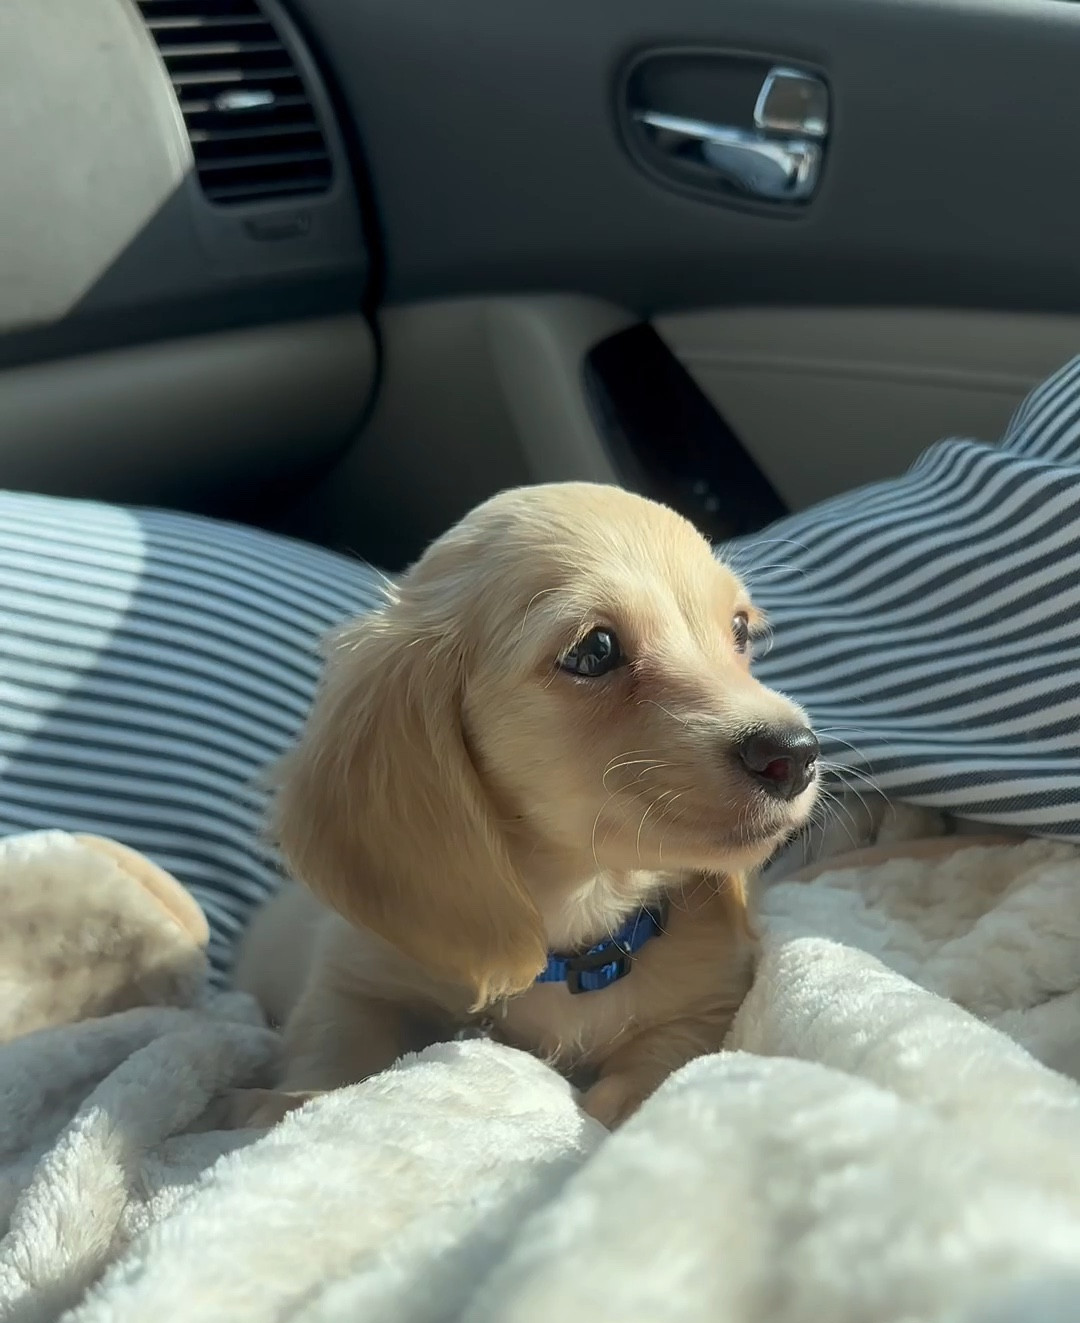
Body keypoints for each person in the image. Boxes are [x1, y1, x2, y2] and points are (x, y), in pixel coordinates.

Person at [3, 354, 1078, 978]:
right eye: (597, 654)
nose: (773, 725)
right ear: (431, 732)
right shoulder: (382, 951)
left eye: (736, 636)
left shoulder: (709, 937)